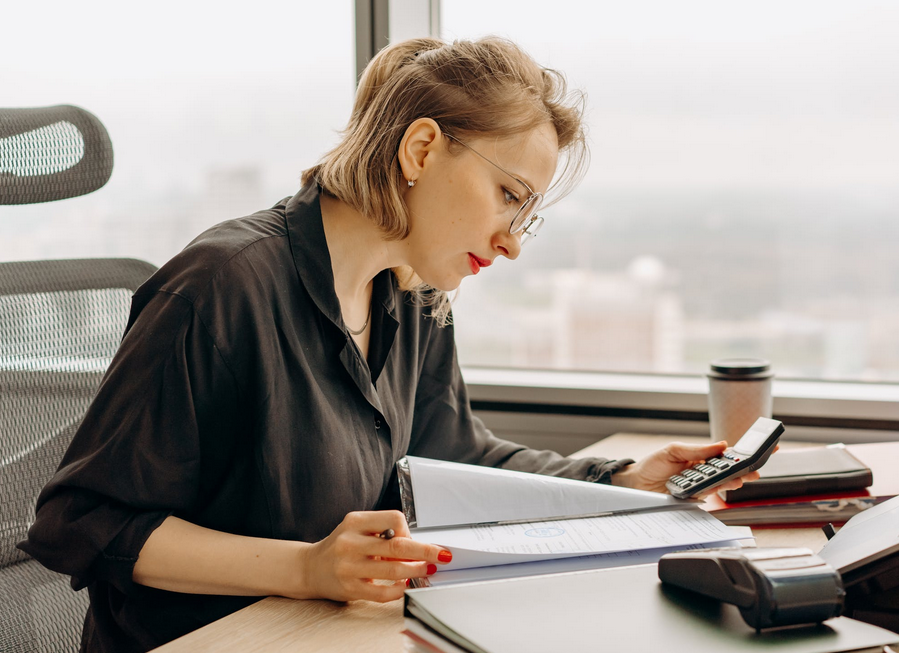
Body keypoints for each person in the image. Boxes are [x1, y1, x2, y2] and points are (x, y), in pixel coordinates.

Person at [19, 36, 758, 653]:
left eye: (526, 216)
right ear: (421, 148)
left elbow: (453, 455)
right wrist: (307, 568)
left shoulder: (412, 297)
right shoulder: (222, 286)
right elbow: (81, 523)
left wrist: (620, 479)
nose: (511, 244)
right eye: (508, 197)